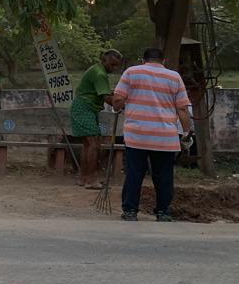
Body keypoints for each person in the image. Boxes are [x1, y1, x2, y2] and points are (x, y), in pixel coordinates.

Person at [112, 48, 193, 222]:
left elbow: (117, 99)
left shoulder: (131, 72)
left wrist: (117, 106)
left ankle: (130, 211)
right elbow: (182, 109)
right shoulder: (174, 77)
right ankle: (163, 212)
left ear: (143, 60)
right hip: (165, 137)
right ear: (163, 61)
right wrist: (187, 132)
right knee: (164, 176)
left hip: (137, 136)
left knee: (134, 173)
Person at [70, 49, 124, 189]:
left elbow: (104, 92)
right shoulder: (100, 74)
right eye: (112, 64)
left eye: (116, 65)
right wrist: (121, 104)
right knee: (94, 144)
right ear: (104, 60)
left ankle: (83, 178)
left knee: (88, 144)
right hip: (85, 108)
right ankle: (91, 180)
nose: (114, 68)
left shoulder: (96, 70)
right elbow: (107, 98)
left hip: (85, 108)